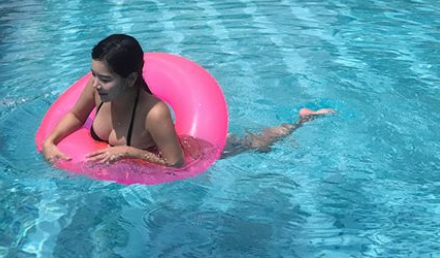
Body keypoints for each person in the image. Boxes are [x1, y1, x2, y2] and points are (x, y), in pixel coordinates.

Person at [42, 34, 334, 168]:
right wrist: (50, 141)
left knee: (255, 144)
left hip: (187, 151)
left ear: (130, 79)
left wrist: (129, 151)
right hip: (150, 149)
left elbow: (176, 163)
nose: (95, 83)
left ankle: (302, 119)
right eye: (94, 75)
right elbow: (76, 117)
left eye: (105, 79)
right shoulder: (95, 89)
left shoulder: (154, 112)